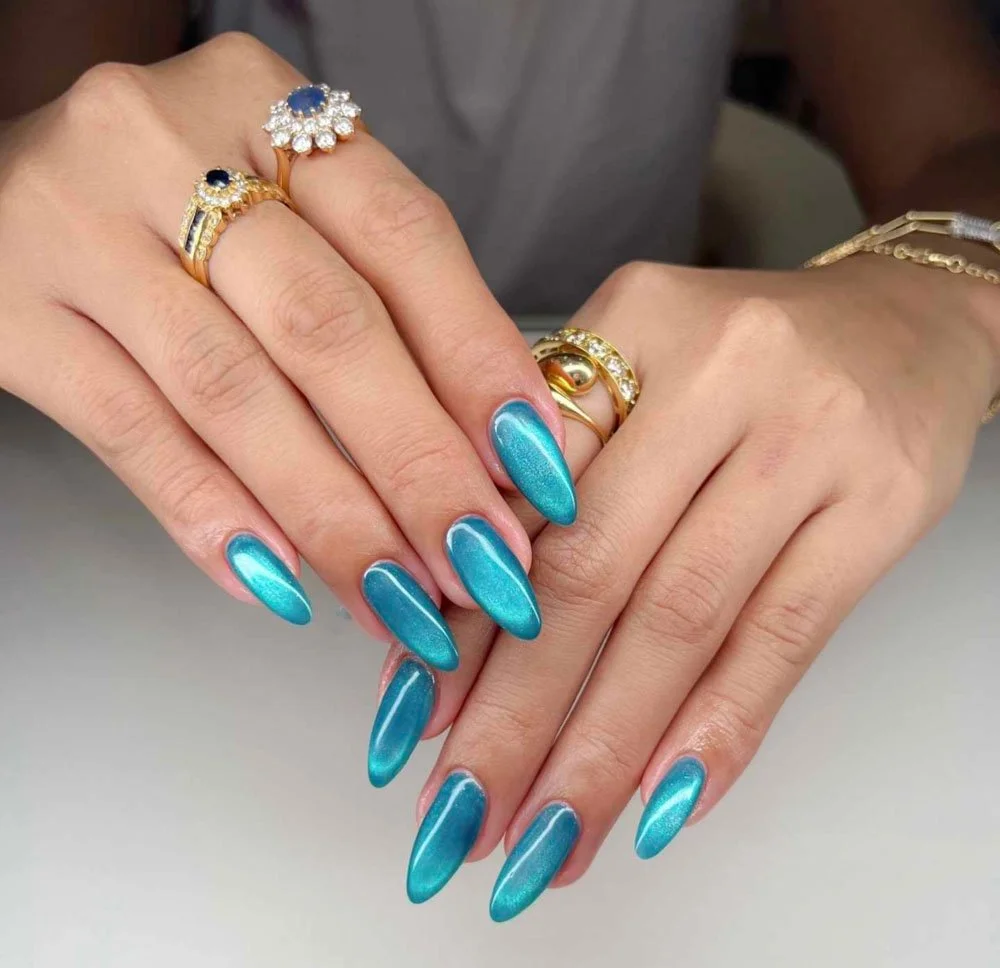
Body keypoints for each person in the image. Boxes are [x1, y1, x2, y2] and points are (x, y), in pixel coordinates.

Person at [1, 0, 998, 922]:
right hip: (174, 554)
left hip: (686, 459)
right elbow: (67, 123)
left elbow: (961, 143)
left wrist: (942, 293)